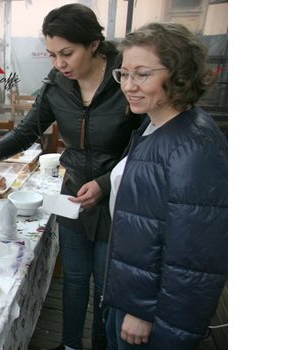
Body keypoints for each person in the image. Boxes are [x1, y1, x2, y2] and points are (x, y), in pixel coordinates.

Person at [0, 4, 141, 350]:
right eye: (52, 55)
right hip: (71, 197)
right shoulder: (57, 85)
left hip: (117, 198)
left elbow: (142, 150)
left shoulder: (125, 82)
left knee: (107, 287)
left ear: (94, 44)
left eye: (67, 53)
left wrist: (107, 182)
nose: (59, 64)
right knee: (75, 279)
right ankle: (69, 345)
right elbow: (23, 133)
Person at [102, 22, 227, 350]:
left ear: (179, 75)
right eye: (124, 74)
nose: (129, 86)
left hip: (150, 314)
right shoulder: (157, 124)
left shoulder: (191, 148)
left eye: (142, 74)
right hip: (133, 293)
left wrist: (142, 310)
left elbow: (192, 256)